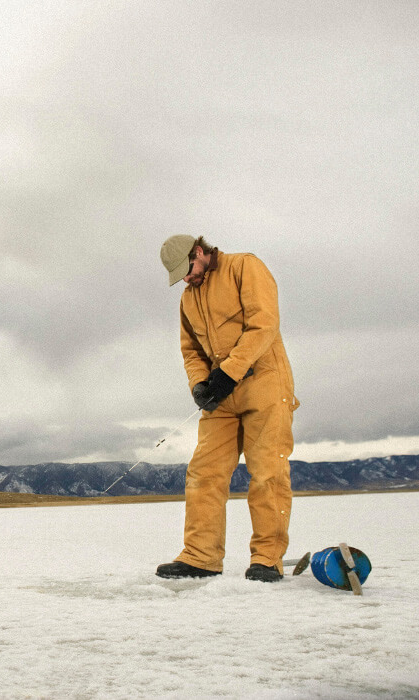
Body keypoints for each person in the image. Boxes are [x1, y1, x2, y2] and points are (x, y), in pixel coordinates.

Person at [156, 235, 298, 582]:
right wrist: (200, 385)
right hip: (221, 397)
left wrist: (228, 373)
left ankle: (267, 559)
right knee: (204, 473)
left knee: (267, 474)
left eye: (186, 270)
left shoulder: (244, 267)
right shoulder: (188, 299)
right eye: (180, 276)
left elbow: (264, 324)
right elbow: (191, 351)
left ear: (199, 252)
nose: (186, 279)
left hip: (264, 385)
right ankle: (200, 557)